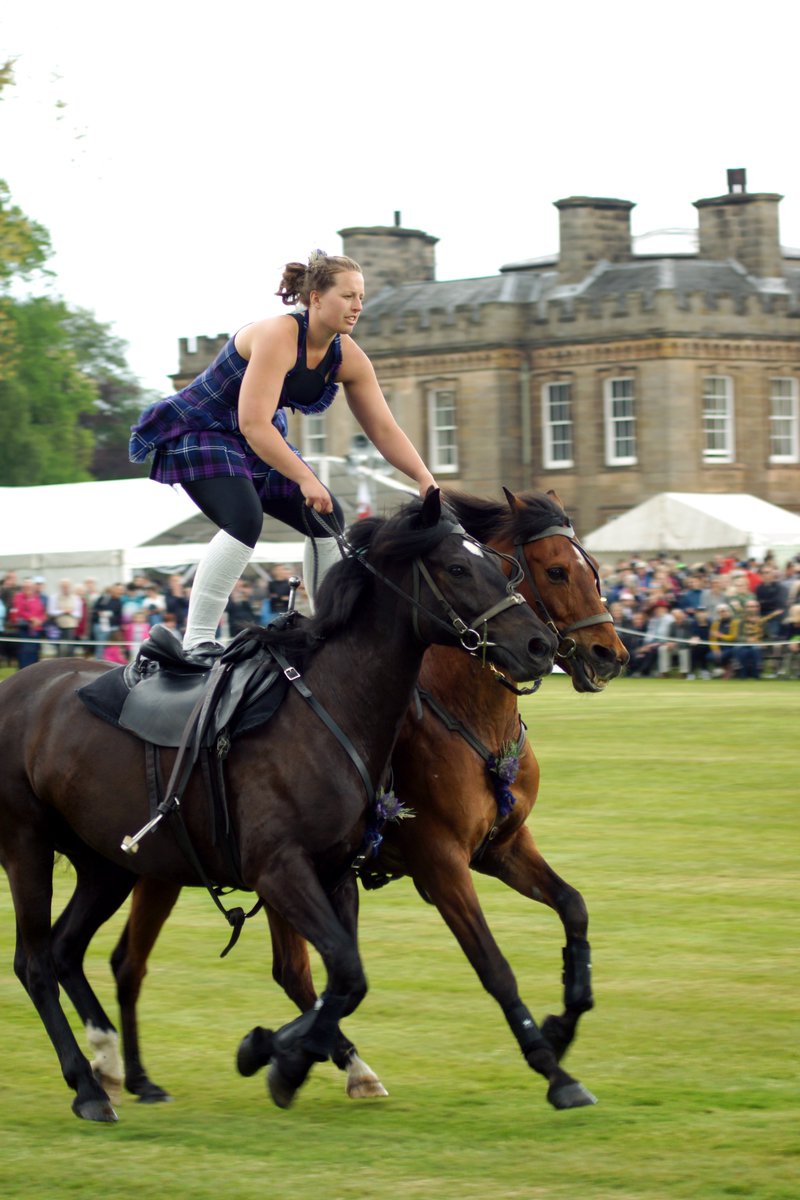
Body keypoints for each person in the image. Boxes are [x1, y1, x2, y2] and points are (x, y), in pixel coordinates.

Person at [129, 252, 437, 656]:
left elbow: (382, 428)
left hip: (255, 438)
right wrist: (307, 478)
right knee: (244, 519)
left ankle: (330, 631)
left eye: (361, 297)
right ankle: (198, 641)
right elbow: (253, 423)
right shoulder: (277, 335)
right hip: (203, 431)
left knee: (327, 518)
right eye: (347, 296)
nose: (358, 306)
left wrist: (424, 477)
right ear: (315, 298)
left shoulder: (349, 358)